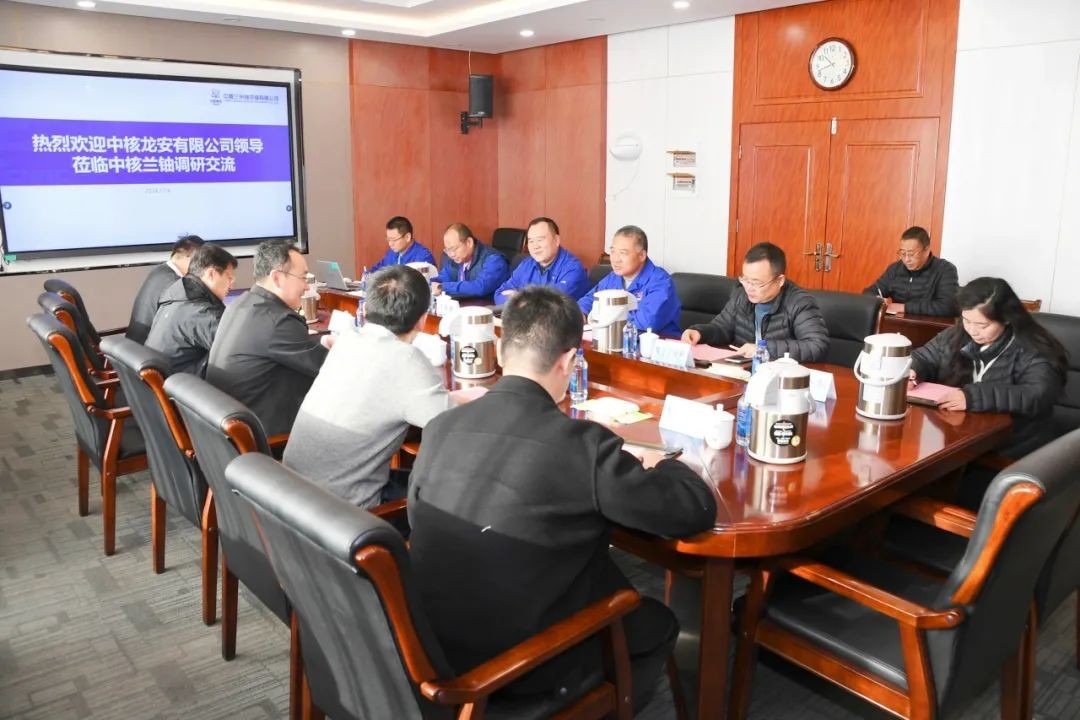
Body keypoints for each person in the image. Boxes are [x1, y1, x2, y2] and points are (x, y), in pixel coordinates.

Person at [408, 286, 717, 713]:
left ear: (501, 349)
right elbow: (692, 510)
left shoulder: (442, 426)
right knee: (656, 621)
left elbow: (418, 518)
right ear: (570, 361)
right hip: (521, 668)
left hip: (431, 647)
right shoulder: (581, 445)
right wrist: (667, 464)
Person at [284, 265, 452, 508]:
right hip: (347, 516)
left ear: (367, 308)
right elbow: (454, 425)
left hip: (296, 501)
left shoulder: (346, 341)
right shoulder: (405, 358)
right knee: (453, 494)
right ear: (422, 320)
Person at [909, 276, 1066, 458]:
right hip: (960, 441)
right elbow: (924, 357)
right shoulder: (956, 335)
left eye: (982, 325)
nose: (972, 330)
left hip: (1011, 450)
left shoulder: (1032, 347)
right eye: (967, 320)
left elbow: (1038, 393)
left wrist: (973, 397)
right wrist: (912, 371)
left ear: (1006, 319)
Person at [206, 240, 331, 437]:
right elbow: (329, 369)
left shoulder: (241, 304)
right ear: (277, 278)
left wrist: (321, 343)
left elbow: (282, 348)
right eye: (303, 277)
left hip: (232, 431)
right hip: (269, 438)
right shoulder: (278, 320)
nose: (307, 287)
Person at [681, 241, 828, 362]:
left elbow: (817, 346)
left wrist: (763, 349)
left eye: (756, 283)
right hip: (744, 371)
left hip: (782, 378)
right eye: (745, 279)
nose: (749, 288)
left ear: (780, 280)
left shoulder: (799, 303)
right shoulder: (741, 295)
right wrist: (700, 332)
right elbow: (722, 327)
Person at [145, 244, 237, 377]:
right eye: (229, 277)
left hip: (167, 382)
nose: (232, 285)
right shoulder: (202, 314)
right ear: (211, 274)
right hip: (183, 386)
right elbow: (241, 353)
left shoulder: (175, 298)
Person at [578, 225, 681, 336]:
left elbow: (648, 321)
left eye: (623, 253)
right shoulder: (613, 278)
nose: (616, 259)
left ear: (642, 255)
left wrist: (605, 316)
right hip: (617, 340)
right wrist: (581, 313)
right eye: (613, 251)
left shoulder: (660, 281)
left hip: (657, 343)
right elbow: (590, 299)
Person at [864, 226, 959, 317]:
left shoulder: (945, 270)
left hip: (928, 326)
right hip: (895, 323)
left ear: (927, 250)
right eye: (903, 253)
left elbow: (948, 306)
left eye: (911, 254)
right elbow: (869, 293)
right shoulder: (895, 269)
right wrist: (878, 300)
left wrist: (904, 307)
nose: (906, 259)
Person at [126, 235, 204, 344]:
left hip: (133, 345)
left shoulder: (159, 271)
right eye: (202, 262)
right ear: (190, 257)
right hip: (147, 349)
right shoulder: (175, 283)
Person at [493, 217, 590, 301]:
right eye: (531, 241)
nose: (535, 246)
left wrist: (518, 298)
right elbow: (499, 294)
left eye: (540, 240)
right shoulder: (526, 265)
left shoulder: (573, 268)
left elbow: (549, 302)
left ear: (556, 240)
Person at [430, 222, 510, 299]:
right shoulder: (456, 260)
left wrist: (442, 286)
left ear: (469, 242)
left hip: (488, 306)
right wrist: (428, 283)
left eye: (454, 249)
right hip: (463, 305)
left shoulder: (494, 260)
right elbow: (442, 278)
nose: (451, 254)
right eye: (448, 250)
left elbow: (480, 287)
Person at [369, 215, 436, 272]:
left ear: (407, 237)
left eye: (394, 240)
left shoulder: (423, 257)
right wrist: (369, 274)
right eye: (388, 239)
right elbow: (378, 269)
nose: (390, 244)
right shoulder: (391, 253)